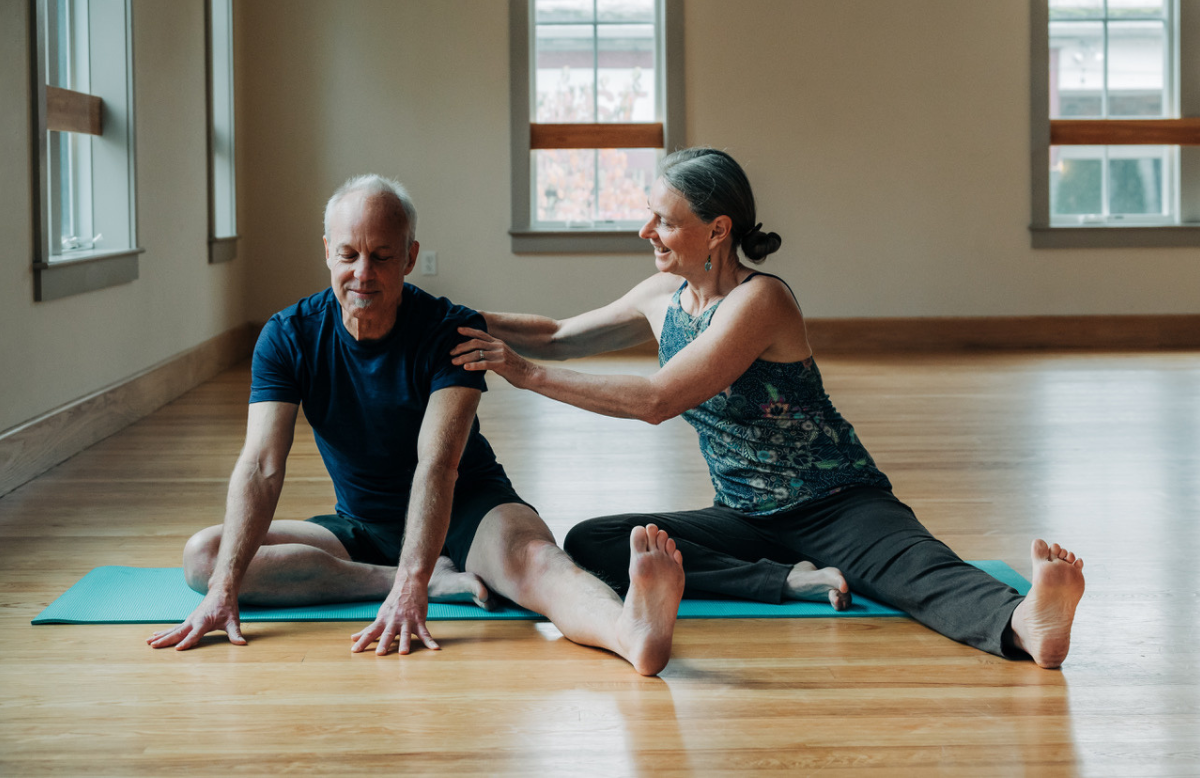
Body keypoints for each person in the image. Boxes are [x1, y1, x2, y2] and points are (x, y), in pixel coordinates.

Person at [451, 148, 1086, 668]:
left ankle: (1028, 622)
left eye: (664, 220)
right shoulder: (663, 294)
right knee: (598, 539)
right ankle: (784, 582)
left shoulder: (761, 301)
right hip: (745, 516)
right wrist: (446, 320)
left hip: (836, 504)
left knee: (918, 573)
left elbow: (657, 400)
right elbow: (560, 334)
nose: (646, 231)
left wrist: (524, 374)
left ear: (718, 229)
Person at [147, 174, 685, 676]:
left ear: (410, 257)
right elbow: (262, 465)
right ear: (327, 254)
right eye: (349, 255)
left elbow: (439, 464)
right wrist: (224, 590)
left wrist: (412, 584)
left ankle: (629, 631)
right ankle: (430, 579)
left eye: (381, 256)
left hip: (468, 508)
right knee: (206, 559)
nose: (363, 273)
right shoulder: (287, 336)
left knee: (536, 564)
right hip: (361, 522)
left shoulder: (452, 330)